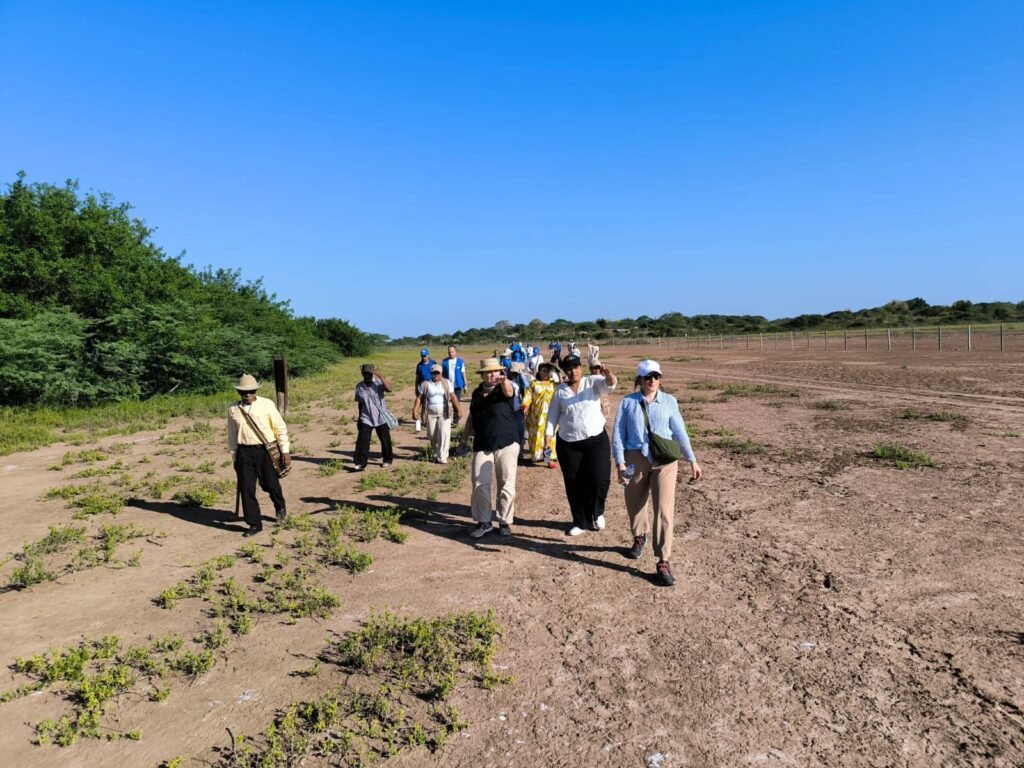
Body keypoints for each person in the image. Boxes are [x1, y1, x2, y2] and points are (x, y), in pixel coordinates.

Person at [612, 359, 703, 587]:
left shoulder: (669, 401)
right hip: (634, 459)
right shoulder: (627, 402)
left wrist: (691, 459)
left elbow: (680, 431)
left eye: (656, 376)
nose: (653, 380)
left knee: (664, 510)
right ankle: (639, 536)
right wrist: (620, 463)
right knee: (634, 503)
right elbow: (618, 435)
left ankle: (663, 560)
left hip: (664, 462)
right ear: (639, 380)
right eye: (648, 377)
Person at [545, 354, 617, 536]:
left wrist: (609, 375)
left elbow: (609, 384)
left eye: (575, 367)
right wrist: (547, 438)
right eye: (568, 368)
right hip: (568, 444)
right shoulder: (560, 391)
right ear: (565, 371)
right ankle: (580, 521)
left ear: (581, 368)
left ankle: (598, 511)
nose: (573, 371)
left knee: (600, 479)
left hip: (596, 440)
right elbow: (552, 416)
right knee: (574, 483)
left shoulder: (592, 382)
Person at [460, 358, 519, 538]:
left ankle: (504, 521)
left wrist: (505, 380)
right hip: (482, 443)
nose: (493, 375)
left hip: (506, 442)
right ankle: (484, 521)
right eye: (489, 372)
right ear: (483, 375)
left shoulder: (505, 388)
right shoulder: (477, 392)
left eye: (496, 371)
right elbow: (472, 417)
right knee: (479, 483)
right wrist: (463, 439)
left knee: (506, 483)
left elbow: (509, 392)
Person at [227, 374, 290, 537]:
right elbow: (232, 435)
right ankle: (254, 523)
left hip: (265, 451)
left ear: (255, 390)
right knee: (247, 488)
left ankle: (280, 507)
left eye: (250, 391)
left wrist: (285, 451)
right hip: (244, 452)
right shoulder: (233, 409)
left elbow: (280, 428)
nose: (247, 395)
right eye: (243, 392)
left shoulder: (267, 405)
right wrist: (234, 456)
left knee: (270, 484)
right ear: (238, 392)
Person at [413, 363, 461, 464]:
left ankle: (442, 457)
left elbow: (453, 397)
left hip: (444, 412)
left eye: (438, 373)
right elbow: (419, 398)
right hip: (430, 413)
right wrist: (415, 410)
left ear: (441, 373)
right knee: (432, 435)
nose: (436, 375)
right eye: (434, 373)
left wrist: (458, 410)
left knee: (444, 434)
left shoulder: (447, 383)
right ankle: (436, 452)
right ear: (431, 373)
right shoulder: (425, 384)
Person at [354, 364, 394, 471]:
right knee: (363, 440)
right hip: (366, 417)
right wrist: (359, 418)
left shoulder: (379, 383)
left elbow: (389, 389)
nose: (367, 375)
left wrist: (381, 376)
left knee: (385, 440)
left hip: (381, 417)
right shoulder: (359, 386)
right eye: (365, 373)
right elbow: (360, 403)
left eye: (369, 373)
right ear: (362, 373)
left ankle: (387, 459)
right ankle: (361, 463)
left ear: (372, 373)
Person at [521, 362, 559, 466]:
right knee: (536, 437)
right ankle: (537, 456)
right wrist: (525, 406)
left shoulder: (555, 384)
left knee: (550, 437)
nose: (546, 373)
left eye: (548, 370)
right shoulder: (534, 384)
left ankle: (549, 459)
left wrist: (556, 369)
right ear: (539, 372)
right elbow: (528, 396)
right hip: (536, 416)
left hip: (551, 415)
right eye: (543, 371)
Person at [441, 345, 467, 419]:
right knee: (448, 402)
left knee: (456, 402)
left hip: (458, 385)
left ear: (455, 352)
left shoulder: (460, 361)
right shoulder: (444, 362)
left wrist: (465, 384)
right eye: (449, 352)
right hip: (448, 386)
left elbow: (463, 373)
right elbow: (442, 374)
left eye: (452, 352)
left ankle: (456, 419)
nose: (450, 353)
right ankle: (447, 417)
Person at [414, 349, 436, 432]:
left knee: (430, 403)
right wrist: (416, 387)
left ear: (428, 355)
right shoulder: (419, 365)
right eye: (422, 356)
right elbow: (417, 378)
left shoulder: (433, 363)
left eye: (425, 356)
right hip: (422, 387)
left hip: (432, 386)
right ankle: (424, 420)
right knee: (423, 403)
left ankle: (429, 419)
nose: (423, 358)